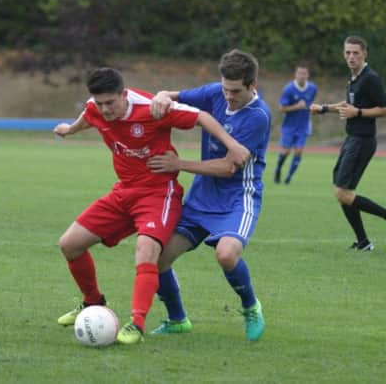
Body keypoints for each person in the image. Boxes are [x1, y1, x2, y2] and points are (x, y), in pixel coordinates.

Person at [53, 67, 250, 345]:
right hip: (123, 192)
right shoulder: (95, 108)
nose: (106, 109)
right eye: (101, 103)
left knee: (146, 250)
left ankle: (137, 324)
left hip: (159, 193)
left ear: (124, 94)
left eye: (111, 102)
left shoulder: (151, 108)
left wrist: (232, 145)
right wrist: (69, 130)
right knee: (69, 243)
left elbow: (202, 117)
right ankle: (93, 303)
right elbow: (89, 116)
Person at [147, 49, 271, 341]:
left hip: (237, 199)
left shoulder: (258, 117)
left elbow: (229, 167)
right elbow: (172, 95)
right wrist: (162, 95)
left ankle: (251, 306)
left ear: (252, 85)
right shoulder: (215, 92)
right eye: (225, 89)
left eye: (236, 91)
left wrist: (179, 164)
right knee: (157, 259)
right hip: (202, 198)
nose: (228, 96)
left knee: (226, 254)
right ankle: (177, 320)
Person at [310, 35, 386, 251]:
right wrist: (324, 108)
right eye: (347, 53)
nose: (351, 57)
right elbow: (348, 105)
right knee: (342, 192)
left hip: (362, 141)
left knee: (343, 193)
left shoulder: (371, 78)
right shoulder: (354, 78)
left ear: (365, 54)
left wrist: (359, 112)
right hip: (351, 138)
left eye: (355, 53)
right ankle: (363, 242)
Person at [274, 64, 318, 184]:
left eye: (304, 73)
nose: (301, 76)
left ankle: (289, 177)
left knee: (298, 151)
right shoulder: (288, 89)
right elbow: (282, 108)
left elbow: (310, 103)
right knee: (286, 152)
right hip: (289, 126)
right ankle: (278, 169)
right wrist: (296, 107)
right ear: (295, 74)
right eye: (299, 73)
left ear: (307, 75)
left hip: (303, 126)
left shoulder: (313, 88)